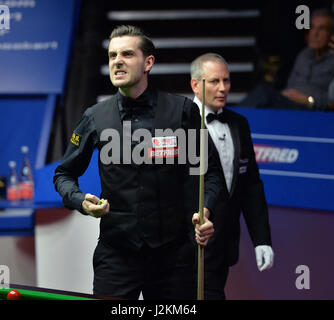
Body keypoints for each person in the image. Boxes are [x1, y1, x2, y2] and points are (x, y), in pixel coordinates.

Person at [53, 25, 223, 300]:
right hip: (117, 256)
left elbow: (210, 173)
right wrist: (78, 200)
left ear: (148, 63)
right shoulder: (95, 117)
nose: (117, 61)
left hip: (174, 258)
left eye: (127, 54)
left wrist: (205, 209)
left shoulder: (182, 111)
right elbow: (63, 174)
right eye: (112, 56)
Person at [190, 53, 274, 300]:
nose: (223, 88)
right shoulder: (178, 123)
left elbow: (251, 187)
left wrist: (262, 239)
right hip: (187, 244)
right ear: (196, 85)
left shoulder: (239, 123)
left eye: (226, 81)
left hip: (224, 242)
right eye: (215, 81)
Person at [240, 9, 334, 111]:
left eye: (322, 29)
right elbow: (290, 85)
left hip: (312, 110)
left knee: (263, 94)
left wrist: (309, 100)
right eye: (312, 27)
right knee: (263, 99)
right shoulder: (304, 55)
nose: (314, 34)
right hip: (289, 104)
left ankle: (228, 122)